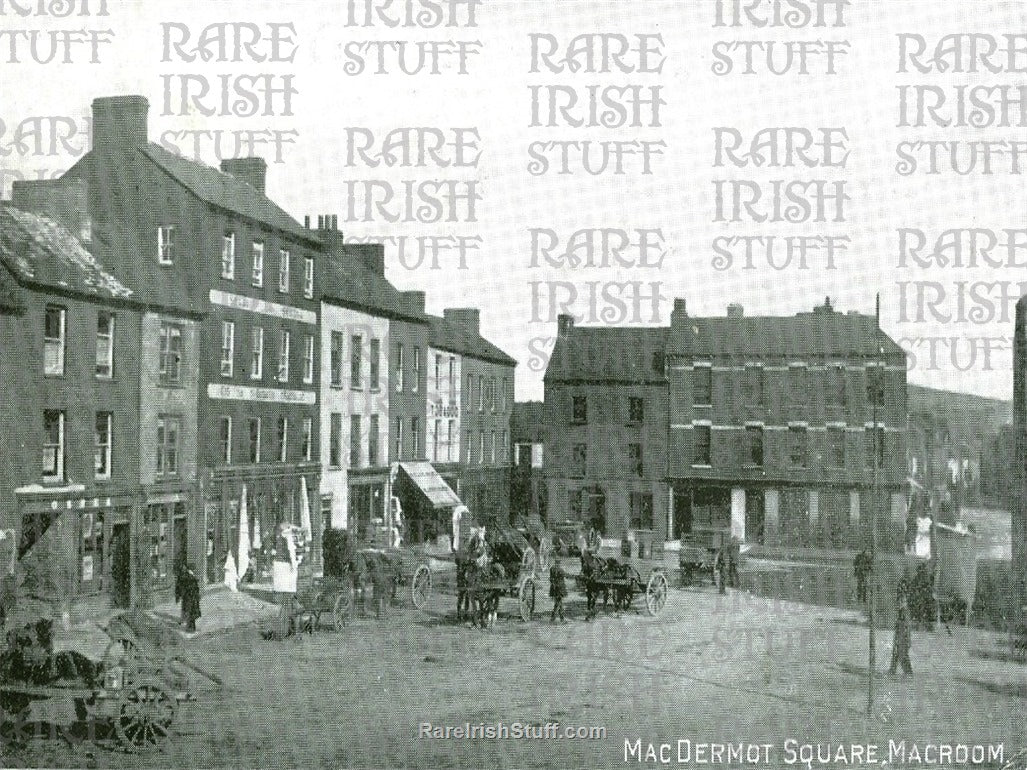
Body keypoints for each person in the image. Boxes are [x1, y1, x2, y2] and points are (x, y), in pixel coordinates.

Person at [889, 583, 913, 677]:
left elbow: (906, 626)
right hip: (900, 635)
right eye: (899, 602)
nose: (899, 603)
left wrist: (908, 639)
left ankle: (908, 672)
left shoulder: (905, 612)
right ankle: (892, 670)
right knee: (896, 653)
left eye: (901, 602)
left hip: (903, 636)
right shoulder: (901, 611)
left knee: (902, 655)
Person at [180, 564, 201, 633]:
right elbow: (191, 588)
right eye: (193, 569)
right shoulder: (189, 576)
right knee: (191, 612)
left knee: (191, 612)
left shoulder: (189, 576)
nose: (194, 571)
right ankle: (190, 628)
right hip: (191, 597)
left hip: (191, 597)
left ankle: (191, 628)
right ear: (191, 570)